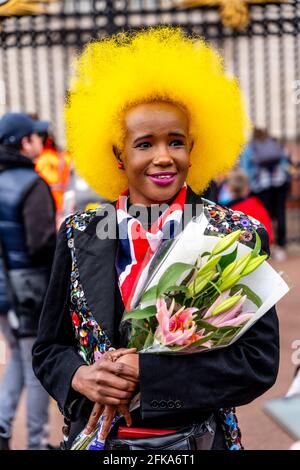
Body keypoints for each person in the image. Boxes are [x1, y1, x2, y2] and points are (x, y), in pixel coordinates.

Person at [32, 27, 279, 450]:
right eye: (144, 143)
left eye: (176, 142)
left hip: (195, 443)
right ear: (118, 154)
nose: (163, 157)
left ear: (194, 147)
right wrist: (77, 375)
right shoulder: (78, 233)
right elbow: (49, 349)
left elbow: (257, 362)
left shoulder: (233, 234)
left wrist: (150, 374)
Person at [0, 112, 56, 449]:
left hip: (6, 292)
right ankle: (37, 442)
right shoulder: (31, 184)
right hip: (28, 292)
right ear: (25, 143)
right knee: (37, 368)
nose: (41, 142)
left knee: (20, 359)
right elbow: (41, 244)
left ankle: (3, 428)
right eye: (37, 137)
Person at [240, 128, 290, 261]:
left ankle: (269, 245)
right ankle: (281, 247)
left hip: (261, 186)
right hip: (279, 183)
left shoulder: (251, 147)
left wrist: (250, 182)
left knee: (265, 216)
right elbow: (284, 162)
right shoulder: (273, 143)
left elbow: (245, 168)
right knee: (281, 214)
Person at [226, 168, 274, 245]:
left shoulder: (226, 212)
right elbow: (269, 236)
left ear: (229, 188)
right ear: (247, 188)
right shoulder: (258, 207)